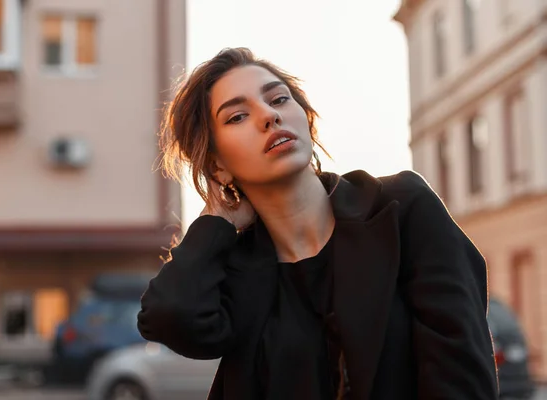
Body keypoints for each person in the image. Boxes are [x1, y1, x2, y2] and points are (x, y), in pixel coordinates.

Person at [137, 47, 498, 400]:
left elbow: (462, 377)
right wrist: (215, 221)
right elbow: (169, 316)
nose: (268, 116)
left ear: (306, 119)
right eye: (237, 117)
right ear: (218, 166)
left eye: (278, 100)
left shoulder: (401, 209)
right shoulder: (237, 271)